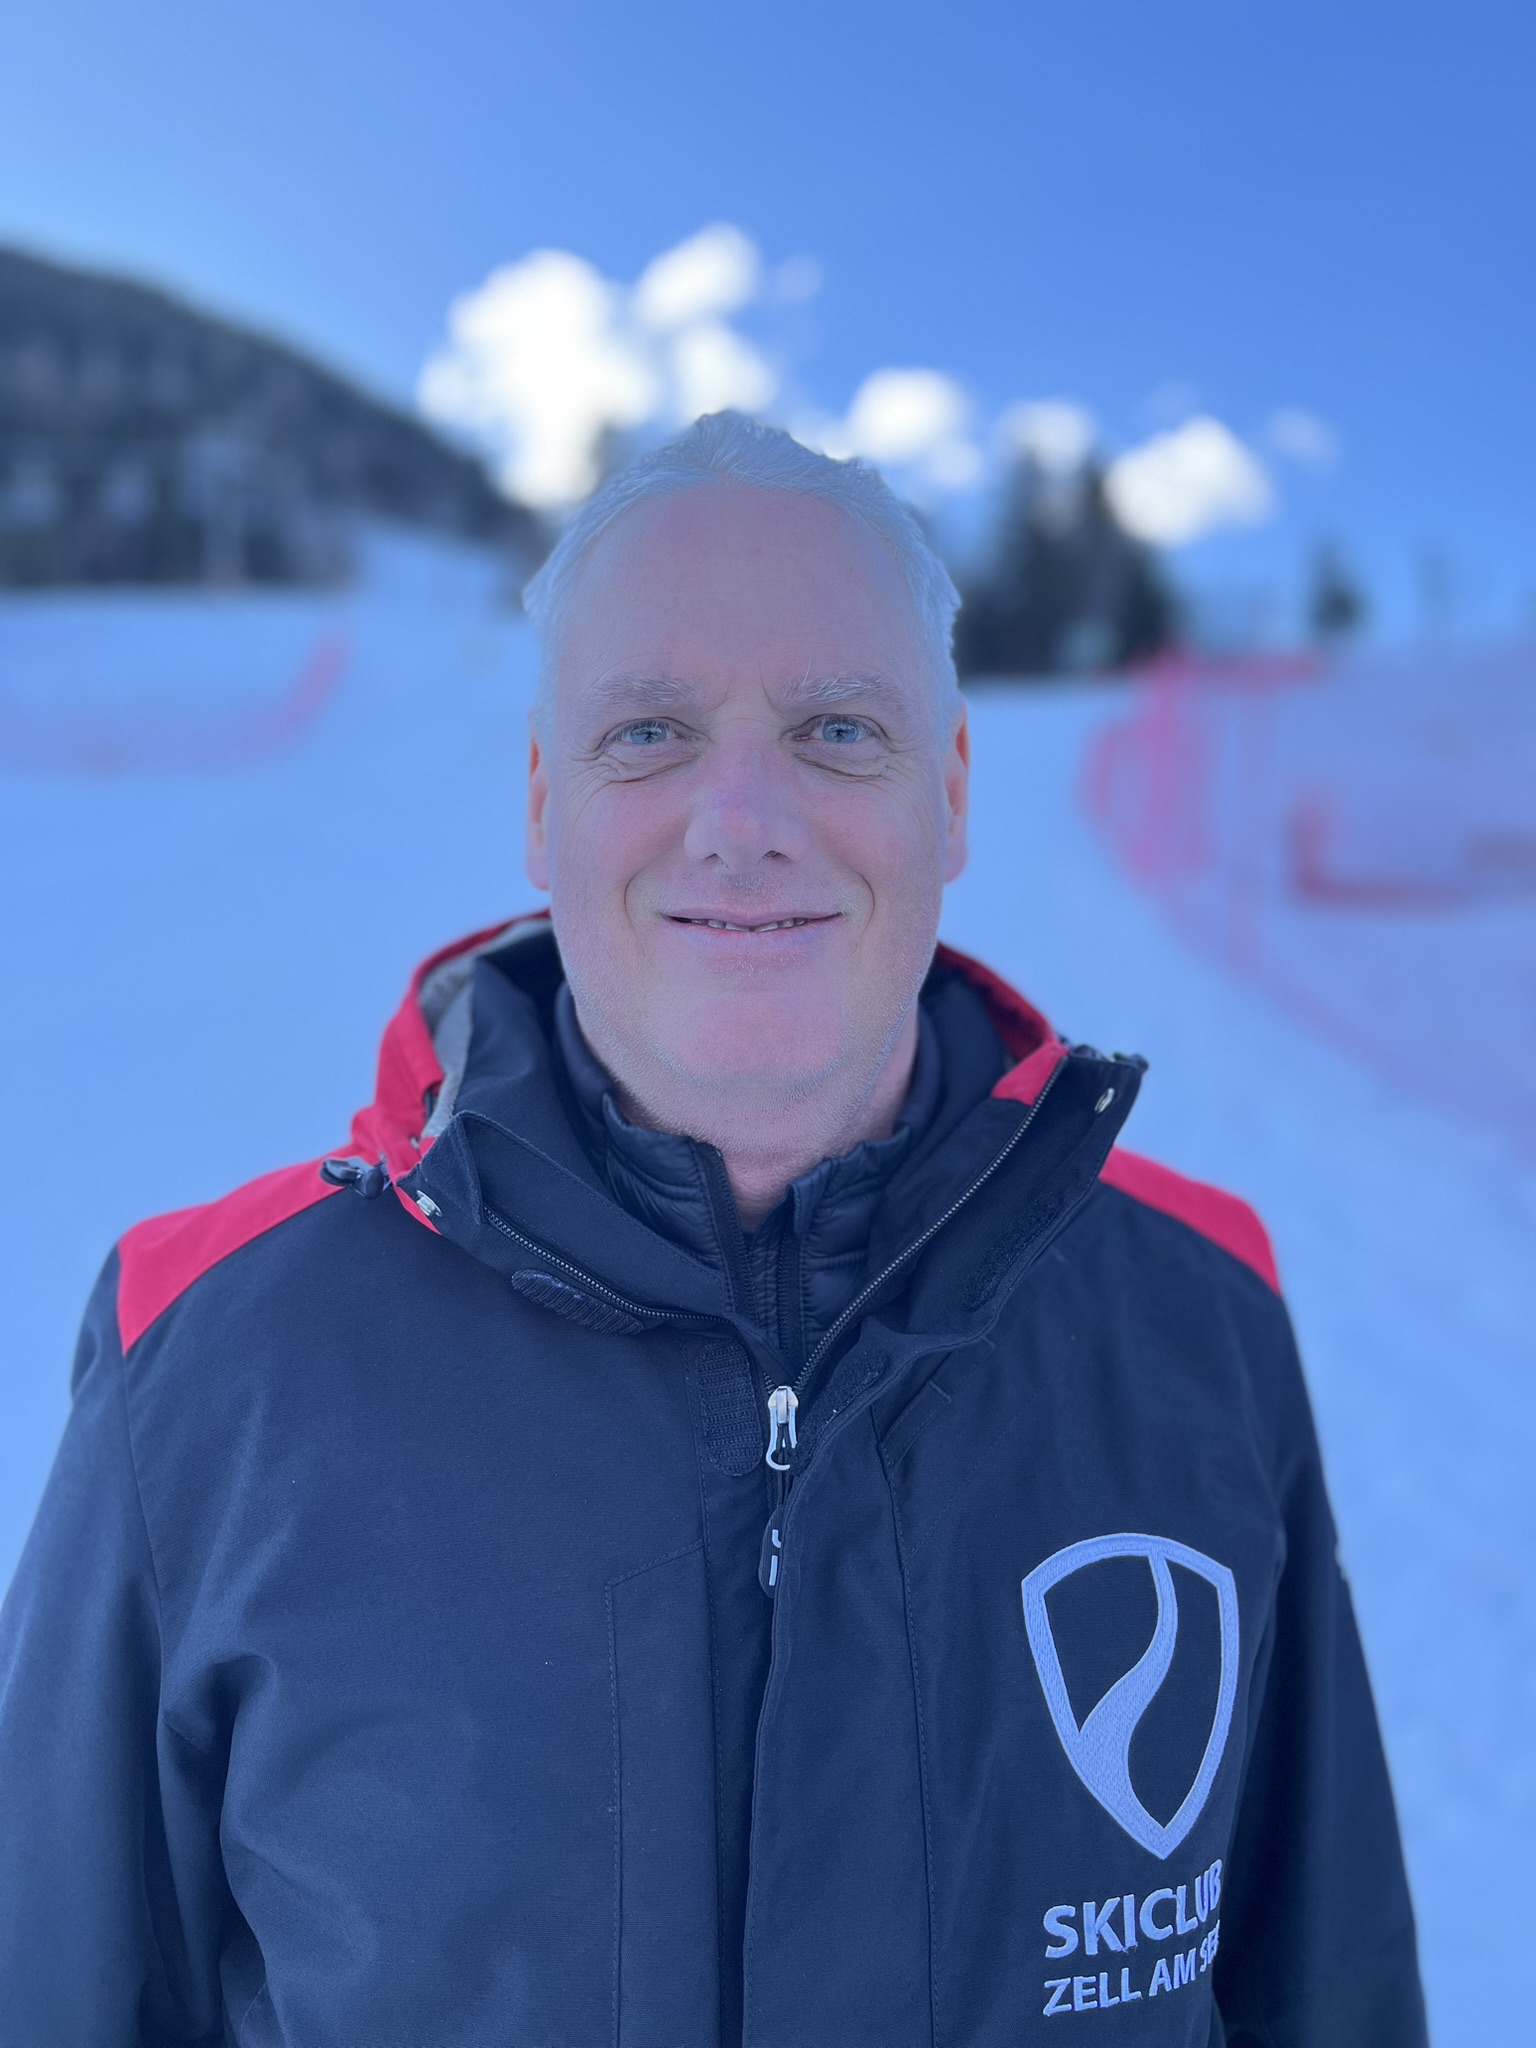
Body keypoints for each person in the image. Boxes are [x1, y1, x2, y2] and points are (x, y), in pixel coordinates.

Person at [0, 414, 1425, 2047]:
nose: (741, 821)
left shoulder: (1201, 1314)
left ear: (952, 794)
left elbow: (1327, 1988)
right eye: (651, 732)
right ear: (545, 802)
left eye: (838, 729)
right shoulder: (207, 1354)